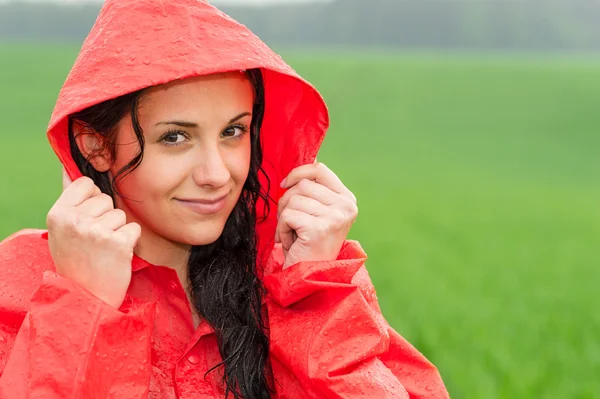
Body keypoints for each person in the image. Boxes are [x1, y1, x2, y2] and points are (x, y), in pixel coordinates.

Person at [0, 1, 449, 398]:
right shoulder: (20, 284)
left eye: (233, 131)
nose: (217, 175)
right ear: (94, 145)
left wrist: (310, 298)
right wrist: (84, 308)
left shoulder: (295, 276)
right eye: (175, 137)